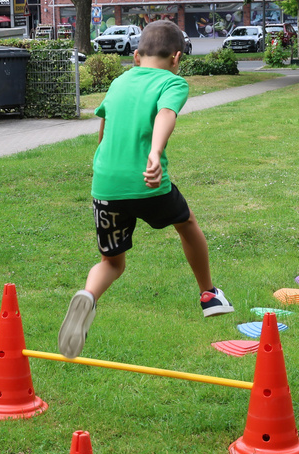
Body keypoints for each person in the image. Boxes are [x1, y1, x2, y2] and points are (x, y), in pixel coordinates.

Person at [57, 20, 234, 360]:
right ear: (177, 58)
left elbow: (103, 131)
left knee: (112, 262)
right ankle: (209, 294)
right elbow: (165, 114)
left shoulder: (118, 82)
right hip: (146, 181)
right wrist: (154, 152)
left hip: (106, 183)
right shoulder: (172, 82)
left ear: (136, 56)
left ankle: (89, 296)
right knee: (186, 223)